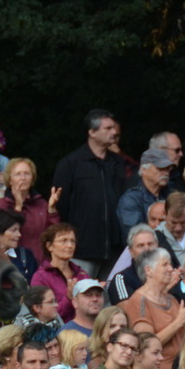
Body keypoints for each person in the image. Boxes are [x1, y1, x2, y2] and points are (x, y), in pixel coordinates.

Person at [52, 109, 130, 274]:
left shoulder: (118, 163)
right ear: (92, 132)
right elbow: (60, 207)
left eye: (113, 128)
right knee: (81, 295)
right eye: (108, 128)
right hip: (83, 249)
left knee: (111, 299)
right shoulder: (70, 164)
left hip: (115, 248)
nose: (114, 132)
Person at [119, 248, 185, 369]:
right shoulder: (139, 301)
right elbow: (146, 345)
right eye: (165, 264)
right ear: (148, 270)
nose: (171, 269)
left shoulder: (171, 299)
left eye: (170, 264)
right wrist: (179, 322)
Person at [0, 157, 59, 258]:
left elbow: (53, 235)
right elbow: (3, 236)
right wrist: (18, 206)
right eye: (18, 174)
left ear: (32, 178)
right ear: (10, 180)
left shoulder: (41, 203)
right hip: (12, 263)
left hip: (39, 264)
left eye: (27, 174)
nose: (23, 178)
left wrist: (51, 210)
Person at [116, 148, 173, 244]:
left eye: (167, 168)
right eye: (160, 168)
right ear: (143, 170)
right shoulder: (130, 199)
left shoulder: (171, 195)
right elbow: (138, 236)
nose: (165, 172)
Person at [30, 223, 82, 322]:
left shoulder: (81, 273)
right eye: (64, 241)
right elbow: (43, 315)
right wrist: (68, 298)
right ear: (49, 246)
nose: (70, 245)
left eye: (73, 241)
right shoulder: (40, 277)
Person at [0, 209, 39, 280]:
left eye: (19, 230)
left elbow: (36, 285)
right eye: (13, 230)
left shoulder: (26, 255)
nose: (19, 234)